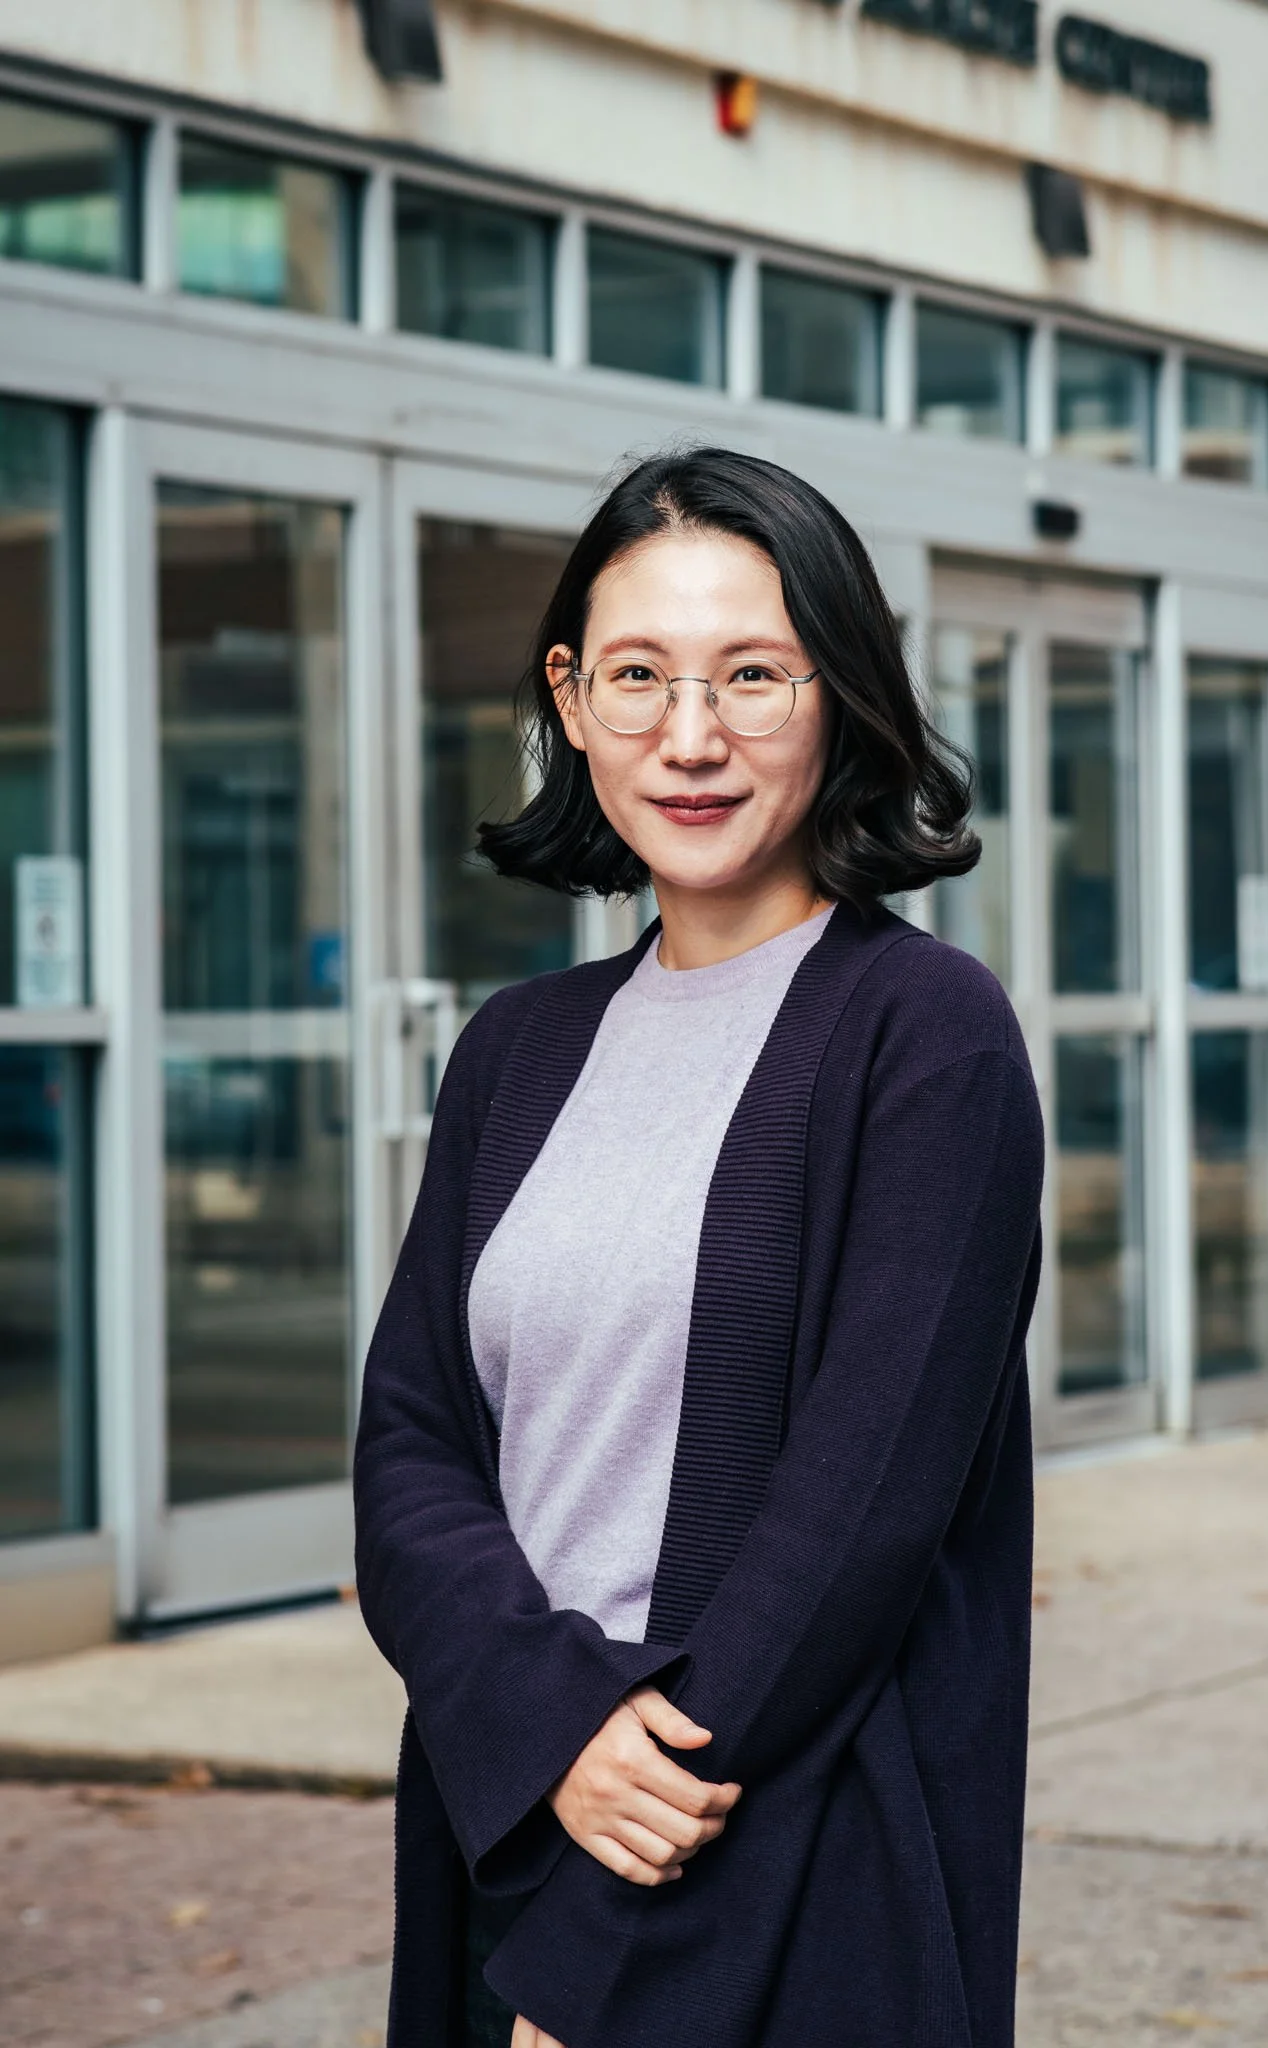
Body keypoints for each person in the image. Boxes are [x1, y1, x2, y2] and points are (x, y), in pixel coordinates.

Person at [353, 447, 1045, 2048]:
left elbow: (847, 1541)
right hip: (517, 1809)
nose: (690, 736)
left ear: (842, 695)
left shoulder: (926, 1039)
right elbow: (411, 1454)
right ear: (568, 698)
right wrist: (551, 1737)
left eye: (752, 673)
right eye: (639, 676)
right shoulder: (516, 1048)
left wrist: (600, 1958)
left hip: (771, 1848)